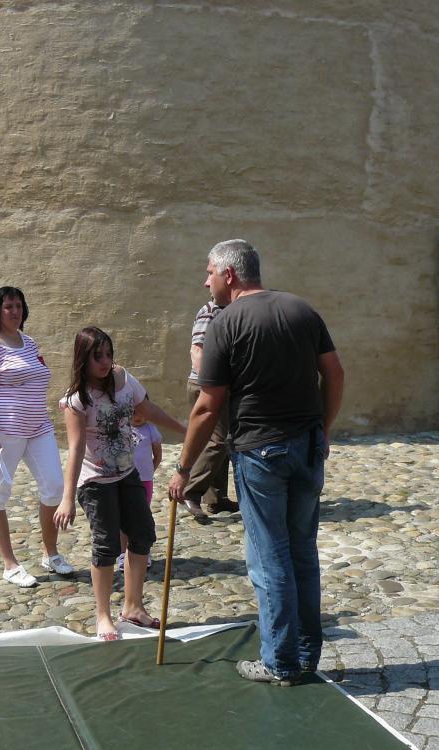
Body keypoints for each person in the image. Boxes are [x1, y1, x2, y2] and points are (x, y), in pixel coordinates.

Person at [168, 239, 344, 686]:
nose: (206, 281)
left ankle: (280, 661)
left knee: (270, 558)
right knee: (302, 551)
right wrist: (323, 429)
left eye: (209, 272)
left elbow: (207, 406)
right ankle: (305, 655)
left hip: (260, 452)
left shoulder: (225, 323)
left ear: (229, 274)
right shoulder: (301, 310)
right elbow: (335, 373)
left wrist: (184, 468)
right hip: (306, 447)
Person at [54, 326, 185, 641]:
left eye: (108, 354)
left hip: (128, 474)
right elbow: (75, 449)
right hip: (95, 481)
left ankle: (133, 607)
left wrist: (185, 429)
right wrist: (67, 497)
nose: (105, 362)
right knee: (107, 546)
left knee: (142, 535)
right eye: (97, 356)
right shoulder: (76, 401)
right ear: (83, 359)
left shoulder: (123, 379)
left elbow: (147, 409)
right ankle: (103, 615)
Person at [0, 286, 74, 588]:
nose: (14, 311)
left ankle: (50, 553)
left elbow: (36, 380)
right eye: (8, 307)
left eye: (18, 306)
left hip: (39, 427)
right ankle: (10, 564)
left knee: (54, 487)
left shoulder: (29, 342)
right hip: (6, 431)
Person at [184, 298, 237, 522]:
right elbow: (197, 351)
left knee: (220, 440)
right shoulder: (211, 311)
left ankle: (216, 498)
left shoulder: (227, 310)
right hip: (206, 386)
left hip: (215, 385)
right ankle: (190, 491)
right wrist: (212, 383)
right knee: (219, 440)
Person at [117, 409, 162, 570]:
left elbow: (157, 455)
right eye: (133, 413)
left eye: (142, 412)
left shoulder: (151, 430)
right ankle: (123, 553)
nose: (138, 417)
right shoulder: (120, 429)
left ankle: (143, 552)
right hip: (124, 480)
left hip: (144, 481)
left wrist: (149, 471)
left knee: (141, 517)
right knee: (124, 518)